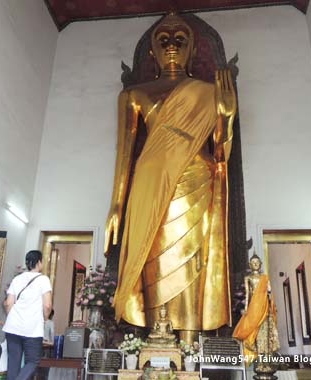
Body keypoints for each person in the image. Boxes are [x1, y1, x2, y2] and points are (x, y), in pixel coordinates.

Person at [104, 13, 237, 343]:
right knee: (153, 256)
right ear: (152, 52)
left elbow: (220, 154)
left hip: (197, 181)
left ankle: (190, 345)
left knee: (191, 259)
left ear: (193, 49)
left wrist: (227, 115)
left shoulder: (209, 92)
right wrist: (117, 205)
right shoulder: (133, 95)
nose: (172, 45)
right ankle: (151, 339)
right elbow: (124, 156)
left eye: (181, 39)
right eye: (164, 40)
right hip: (150, 183)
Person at [3, 250, 53, 380]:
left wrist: (13, 318)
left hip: (13, 327)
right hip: (32, 328)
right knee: (32, 361)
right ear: (39, 262)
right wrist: (45, 318)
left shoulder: (17, 279)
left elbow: (8, 304)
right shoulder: (43, 279)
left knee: (13, 362)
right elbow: (47, 305)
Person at [233, 254, 280, 365]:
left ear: (261, 264)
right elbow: (247, 295)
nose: (255, 264)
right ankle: (255, 354)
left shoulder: (265, 277)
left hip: (264, 306)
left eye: (257, 262)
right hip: (254, 307)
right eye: (253, 262)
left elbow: (269, 292)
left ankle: (266, 356)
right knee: (252, 330)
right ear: (250, 265)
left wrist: (270, 304)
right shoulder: (248, 278)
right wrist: (245, 309)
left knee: (264, 331)